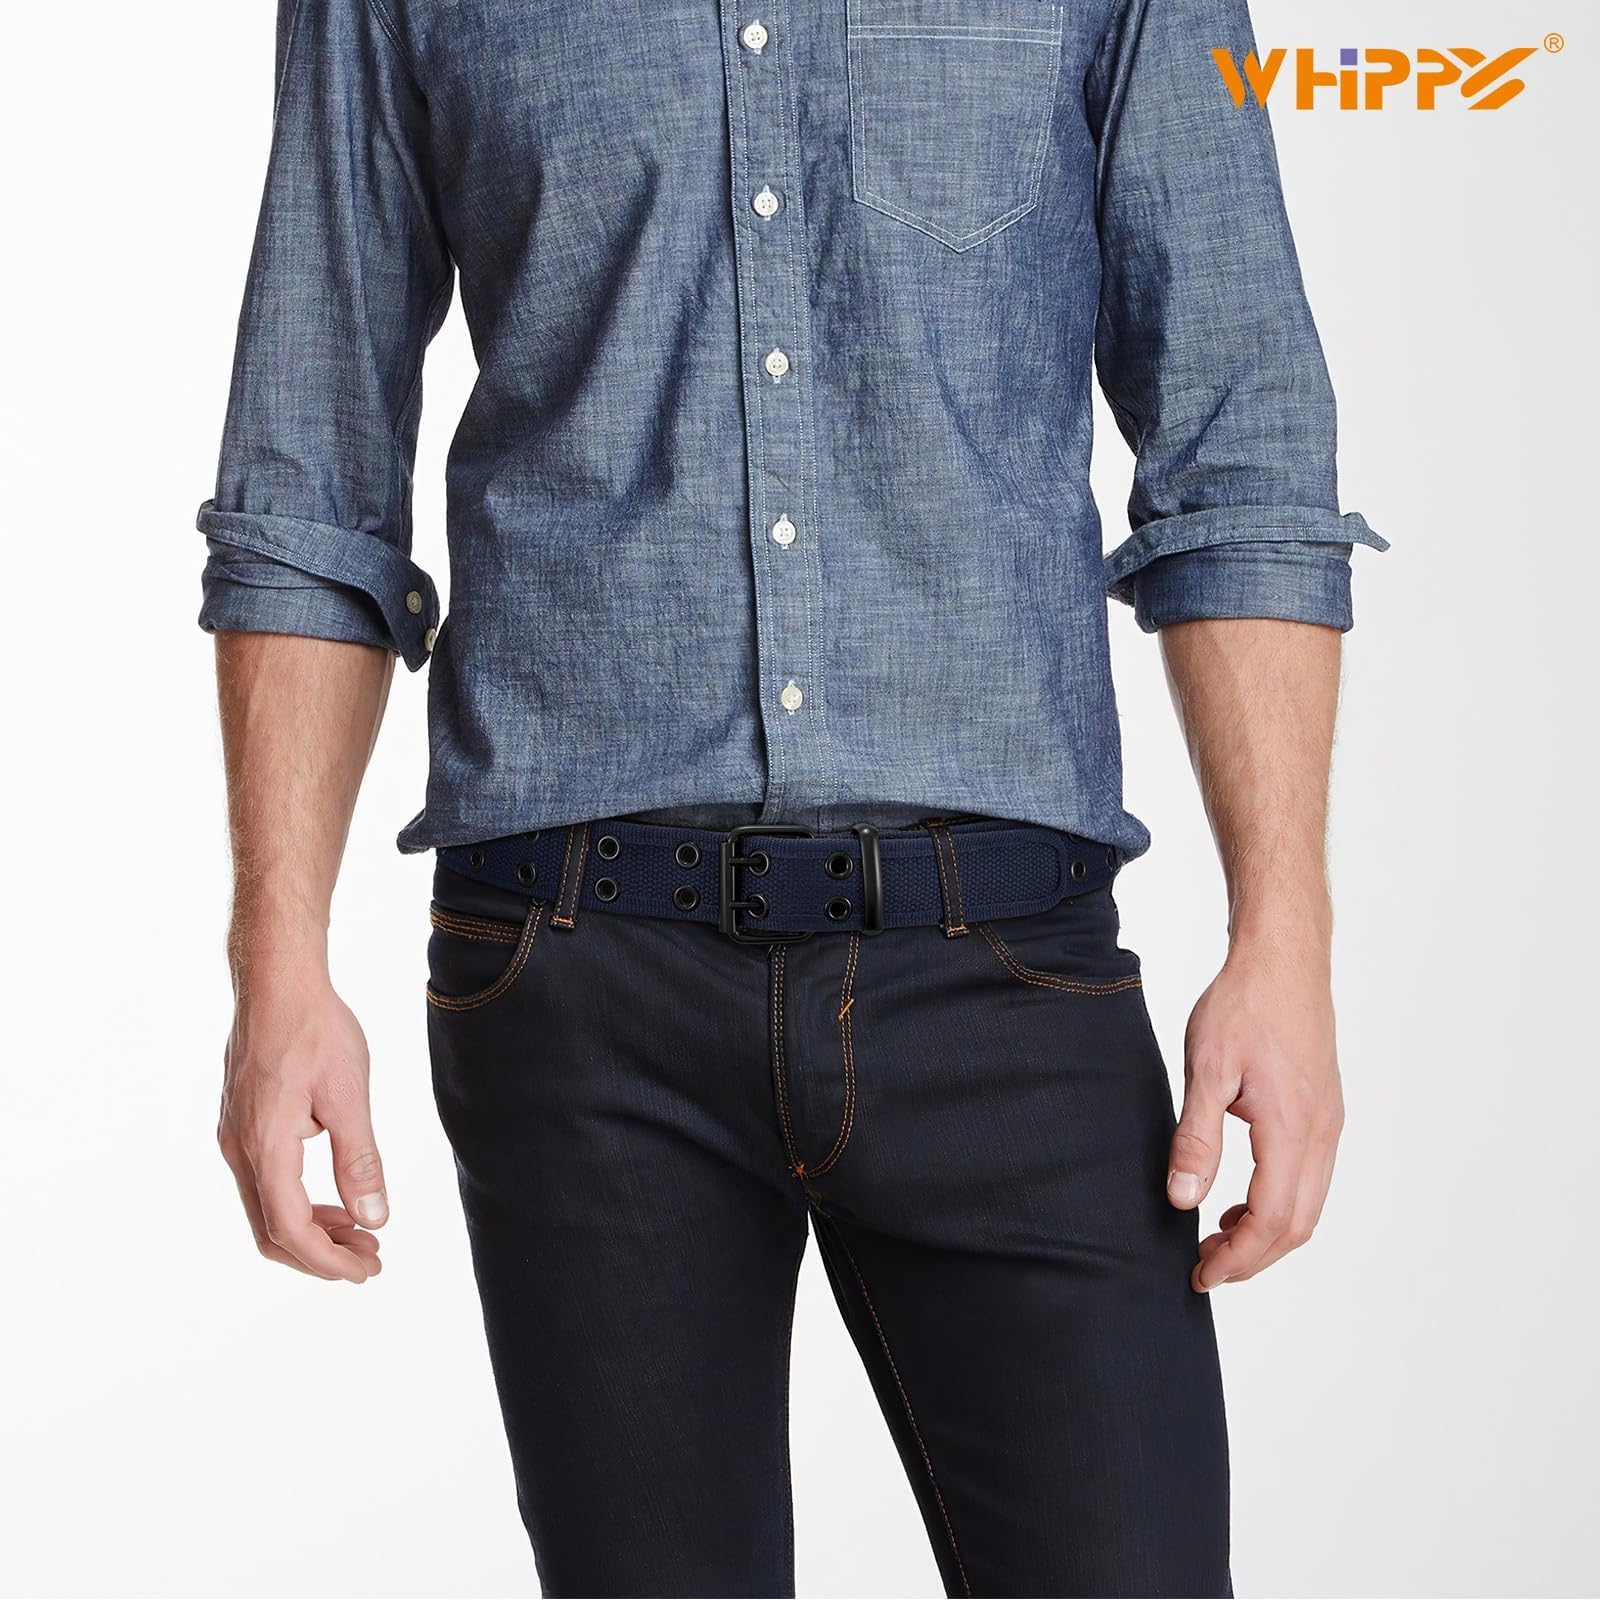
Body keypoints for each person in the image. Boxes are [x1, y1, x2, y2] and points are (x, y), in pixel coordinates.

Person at [197, 0, 1382, 1593]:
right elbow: (310, 466)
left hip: (1005, 968)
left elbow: (1241, 440)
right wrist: (276, 961)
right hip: (576, 981)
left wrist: (1283, 937)